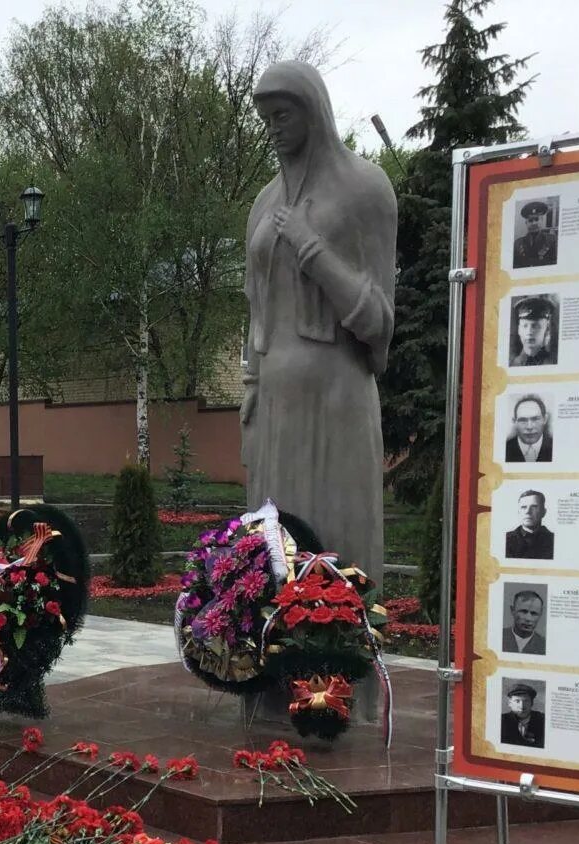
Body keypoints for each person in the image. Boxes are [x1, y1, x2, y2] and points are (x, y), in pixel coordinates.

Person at [241, 61, 394, 620]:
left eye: (283, 115)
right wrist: (251, 383)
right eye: (265, 118)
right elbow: (256, 307)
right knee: (273, 549)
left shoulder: (364, 188)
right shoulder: (263, 203)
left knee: (334, 542)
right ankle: (271, 673)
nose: (273, 128)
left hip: (335, 397)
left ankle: (340, 679)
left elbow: (379, 320)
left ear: (314, 112)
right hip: (275, 400)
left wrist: (313, 249)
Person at [505, 489, 554, 559]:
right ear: (519, 512)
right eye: (523, 507)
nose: (528, 511)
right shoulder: (506, 539)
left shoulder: (554, 540)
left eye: (534, 507)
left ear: (543, 512)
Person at [509, 296, 557, 366]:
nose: (529, 332)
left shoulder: (553, 363)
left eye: (535, 326)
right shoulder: (513, 364)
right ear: (519, 330)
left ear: (546, 330)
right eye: (525, 326)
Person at [503, 395, 552, 462]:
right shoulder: (504, 449)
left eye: (535, 419)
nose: (529, 427)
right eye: (523, 420)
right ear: (514, 422)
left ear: (545, 419)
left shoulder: (556, 447)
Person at [513, 200, 557, 269]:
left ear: (542, 220)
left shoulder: (552, 240)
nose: (534, 223)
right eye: (530, 220)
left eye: (536, 219)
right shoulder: (517, 243)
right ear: (526, 223)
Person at [500, 682, 545, 747]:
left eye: (526, 701)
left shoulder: (542, 719)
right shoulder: (501, 720)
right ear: (510, 703)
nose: (522, 706)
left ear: (532, 703)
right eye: (517, 701)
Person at [502, 590, 546, 654]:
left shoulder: (544, 645)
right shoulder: (499, 636)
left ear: (540, 614)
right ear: (512, 610)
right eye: (523, 611)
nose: (528, 618)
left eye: (534, 613)